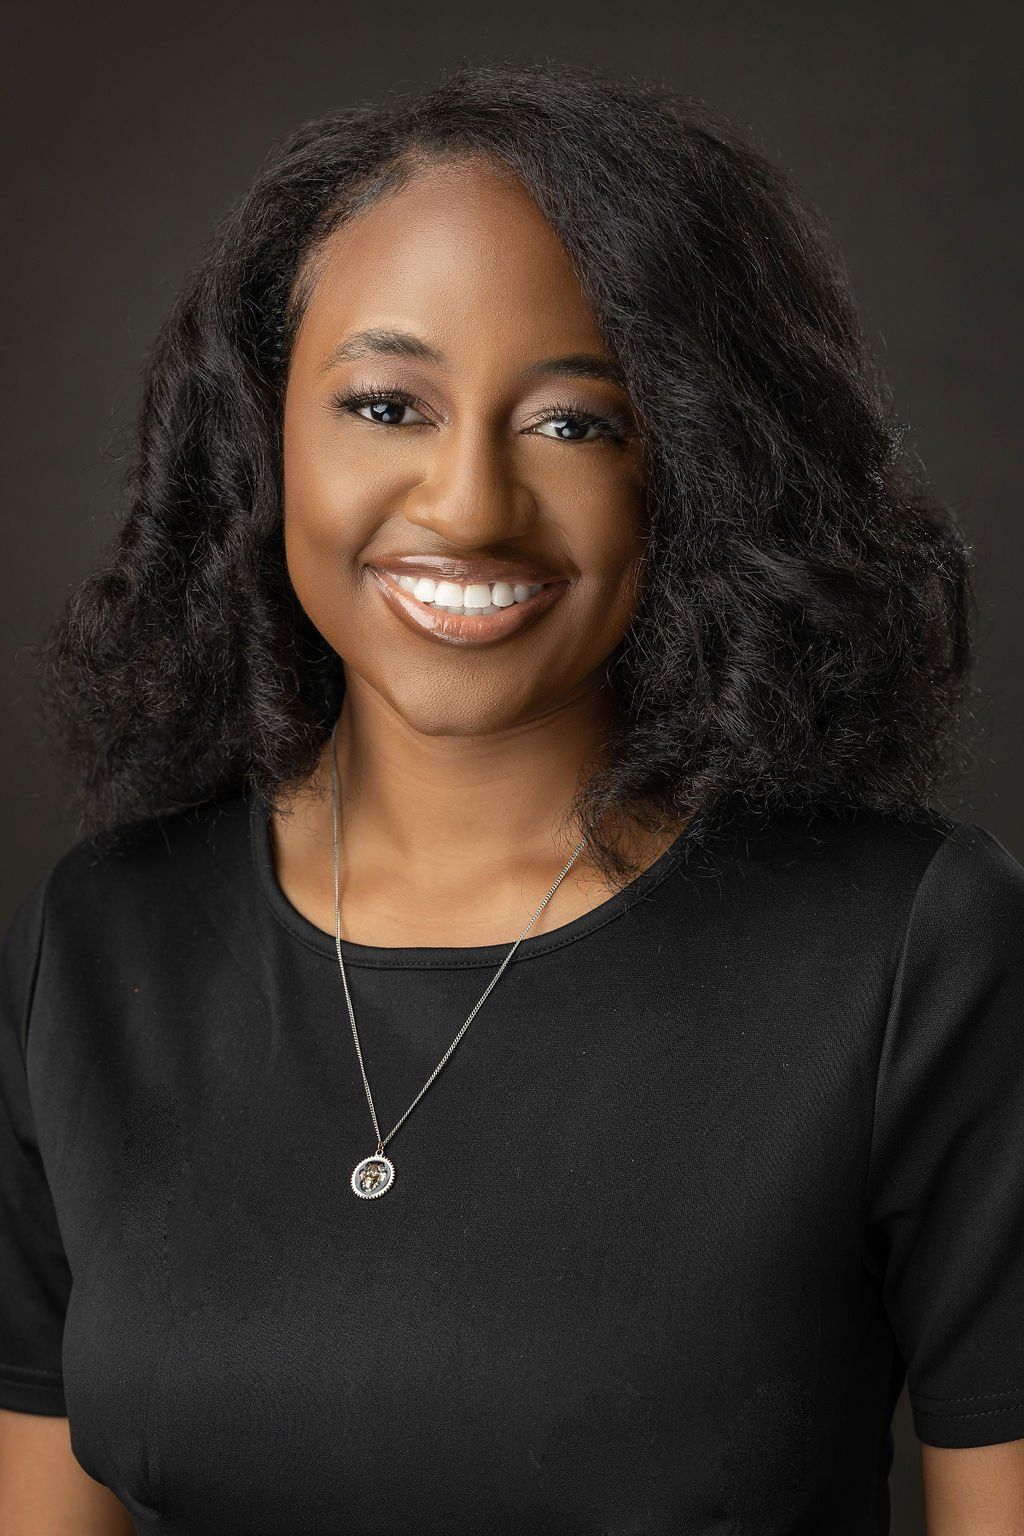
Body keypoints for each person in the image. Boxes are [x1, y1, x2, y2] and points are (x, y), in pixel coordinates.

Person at [1, 57, 1022, 1536]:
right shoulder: (93, 957)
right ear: (262, 440)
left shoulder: (914, 952)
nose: (470, 501)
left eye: (573, 424)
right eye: (385, 404)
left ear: (697, 468)